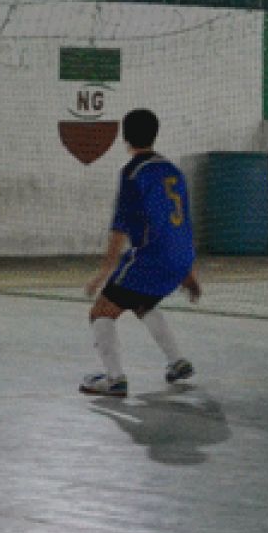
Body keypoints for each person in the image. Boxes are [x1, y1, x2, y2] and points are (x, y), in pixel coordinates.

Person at [80, 109, 201, 397]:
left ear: (124, 136)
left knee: (101, 311)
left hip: (152, 256)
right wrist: (187, 271)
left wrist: (104, 272)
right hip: (181, 254)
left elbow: (120, 227)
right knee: (142, 302)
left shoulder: (133, 173)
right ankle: (177, 361)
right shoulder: (174, 171)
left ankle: (114, 379)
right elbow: (182, 223)